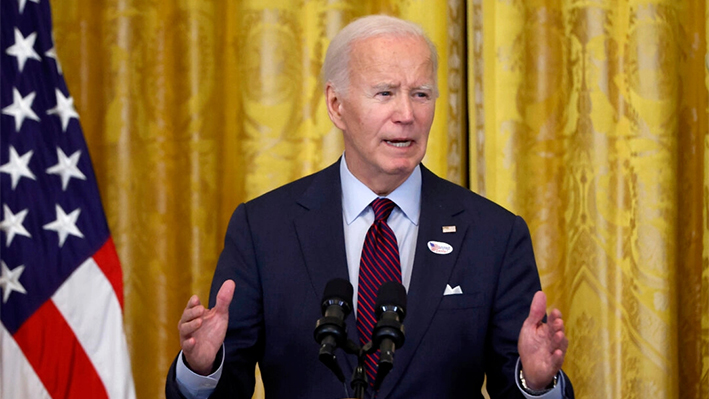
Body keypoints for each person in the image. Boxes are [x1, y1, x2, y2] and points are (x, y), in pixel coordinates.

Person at [165, 15, 574, 399]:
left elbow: (516, 379)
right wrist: (201, 368)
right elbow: (225, 387)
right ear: (336, 105)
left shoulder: (493, 234)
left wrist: (535, 383)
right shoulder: (263, 229)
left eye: (421, 94)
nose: (407, 115)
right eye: (385, 93)